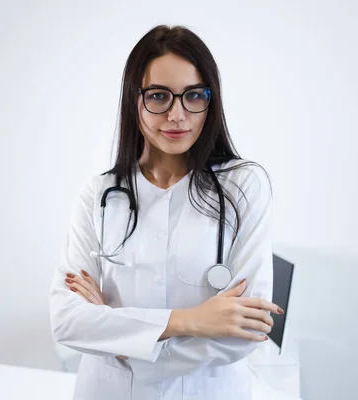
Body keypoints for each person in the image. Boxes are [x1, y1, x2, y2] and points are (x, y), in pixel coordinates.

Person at [49, 24, 284, 400]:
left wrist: (120, 339)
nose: (177, 114)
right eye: (159, 96)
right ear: (133, 100)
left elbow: (246, 333)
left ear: (211, 100)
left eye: (193, 95)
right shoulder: (98, 196)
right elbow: (67, 322)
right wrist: (192, 320)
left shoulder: (244, 187)